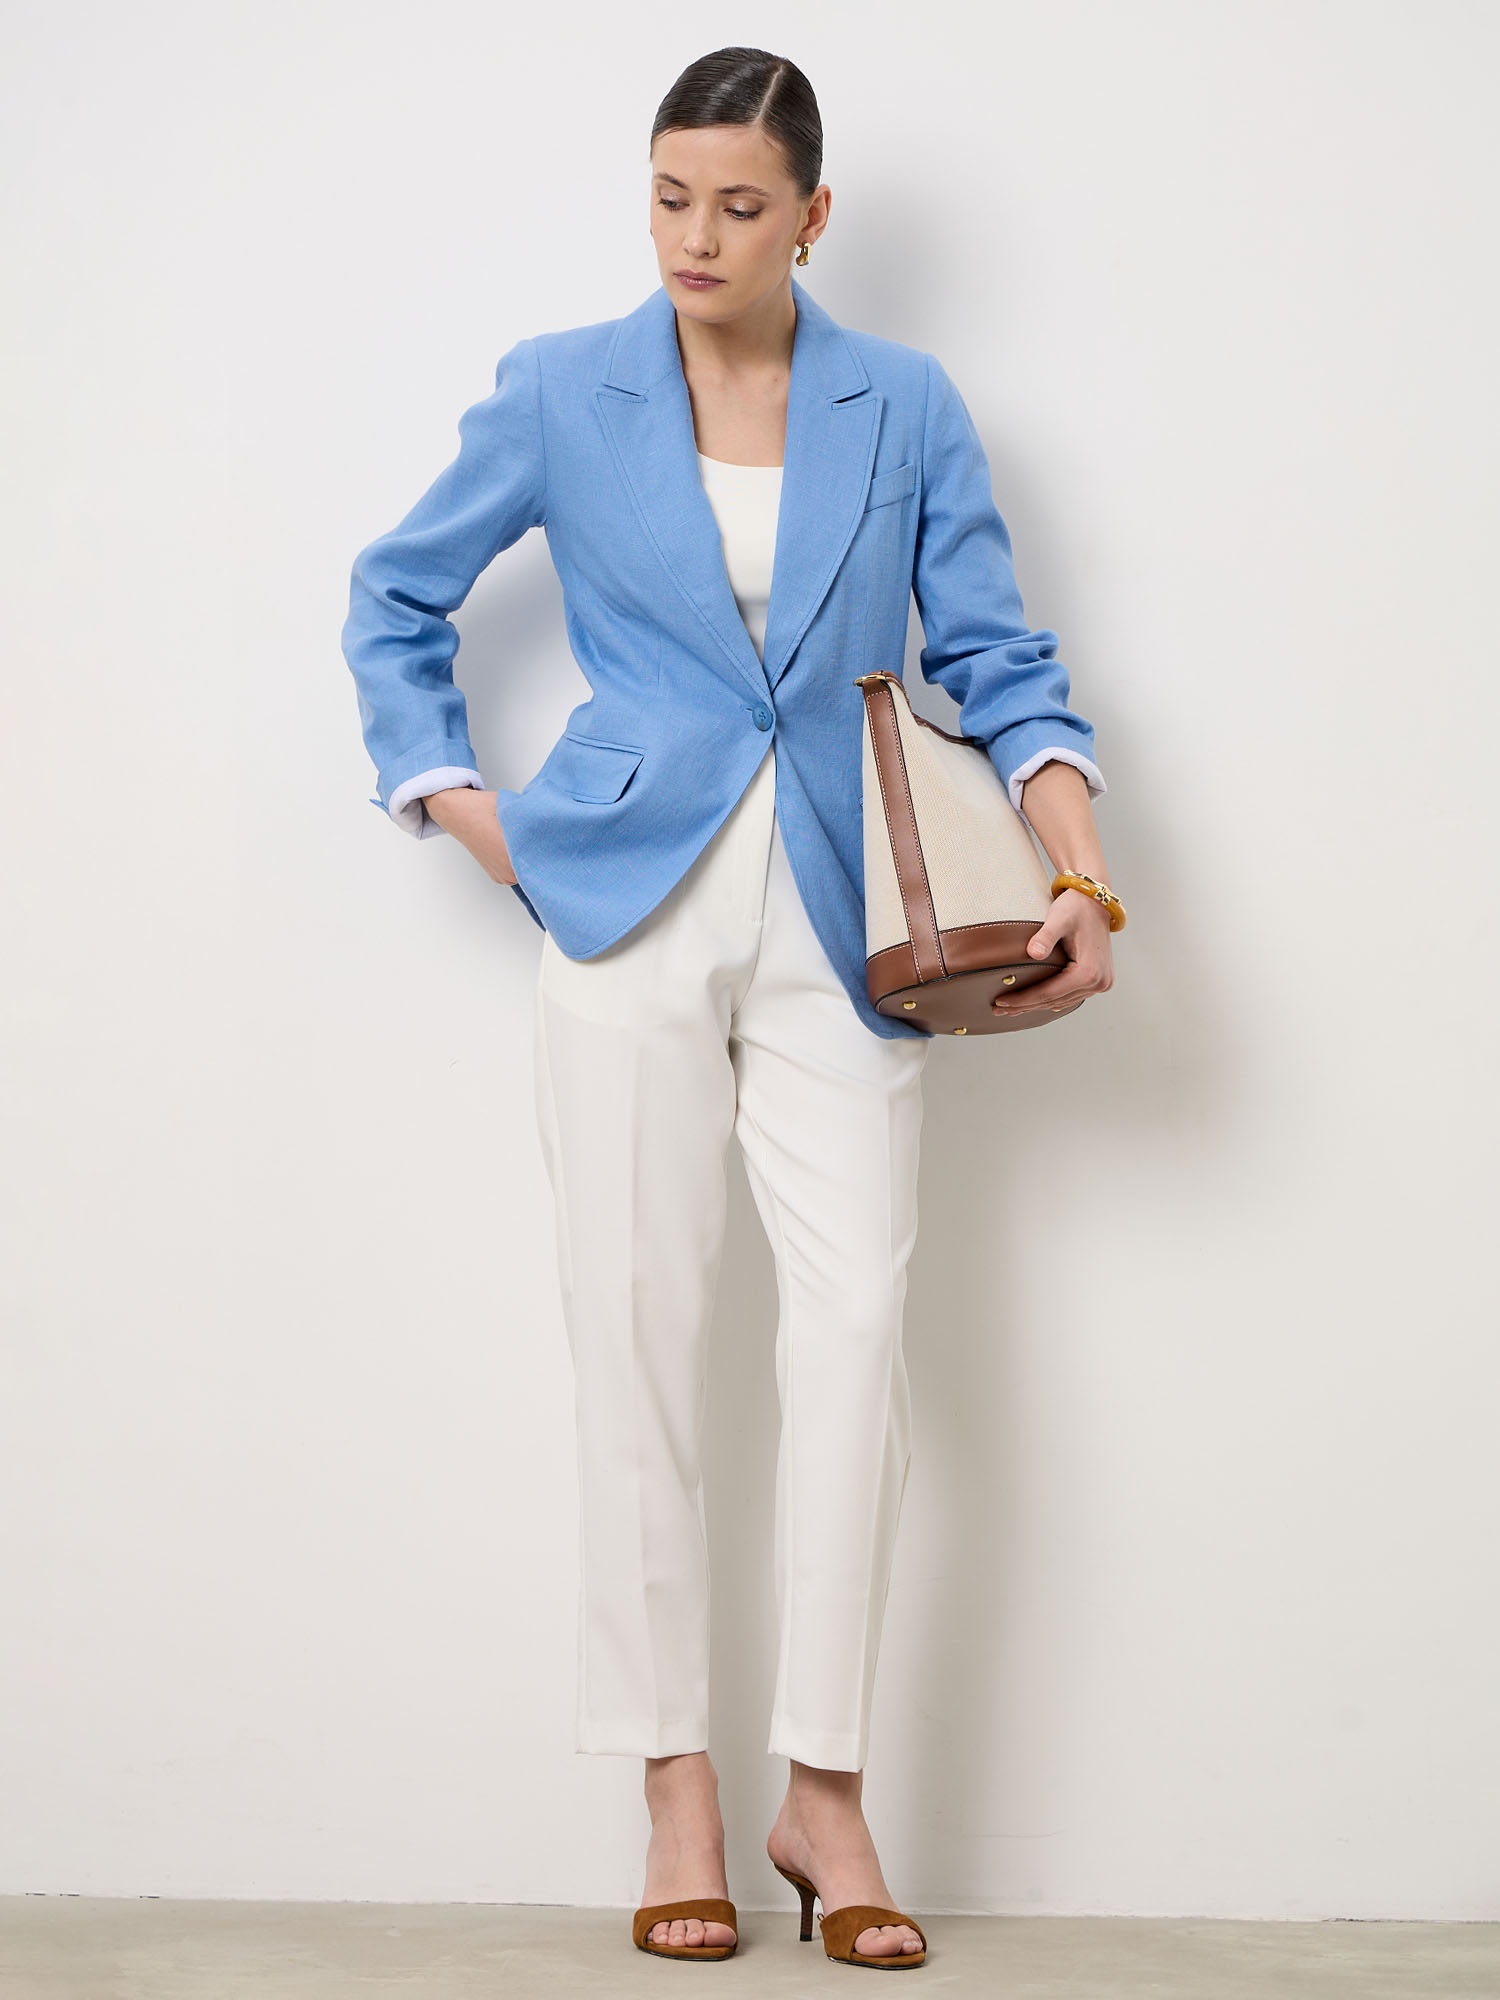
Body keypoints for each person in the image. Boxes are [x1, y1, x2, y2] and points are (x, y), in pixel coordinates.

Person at [341, 44, 1118, 1973]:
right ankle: (676, 1787)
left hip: (852, 926)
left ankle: (822, 1793)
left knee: (853, 1337)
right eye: (672, 196)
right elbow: (396, 596)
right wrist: (467, 811)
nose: (697, 235)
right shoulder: (563, 388)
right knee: (638, 1341)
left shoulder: (904, 403)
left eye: (741, 204)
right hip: (623, 907)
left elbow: (998, 653)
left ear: (813, 216)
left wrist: (1083, 870)